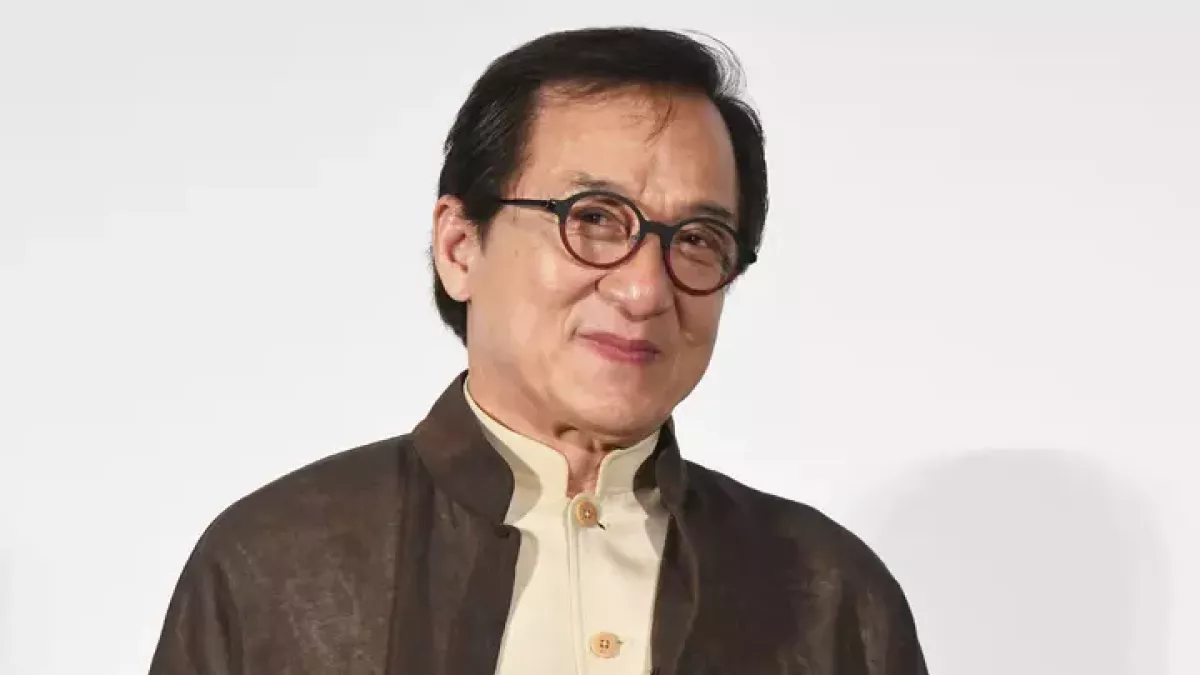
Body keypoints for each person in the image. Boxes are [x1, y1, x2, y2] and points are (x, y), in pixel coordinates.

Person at [148, 26, 927, 675]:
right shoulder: (277, 565)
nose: (644, 289)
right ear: (459, 246)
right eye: (594, 218)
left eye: (697, 238)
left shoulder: (826, 594)